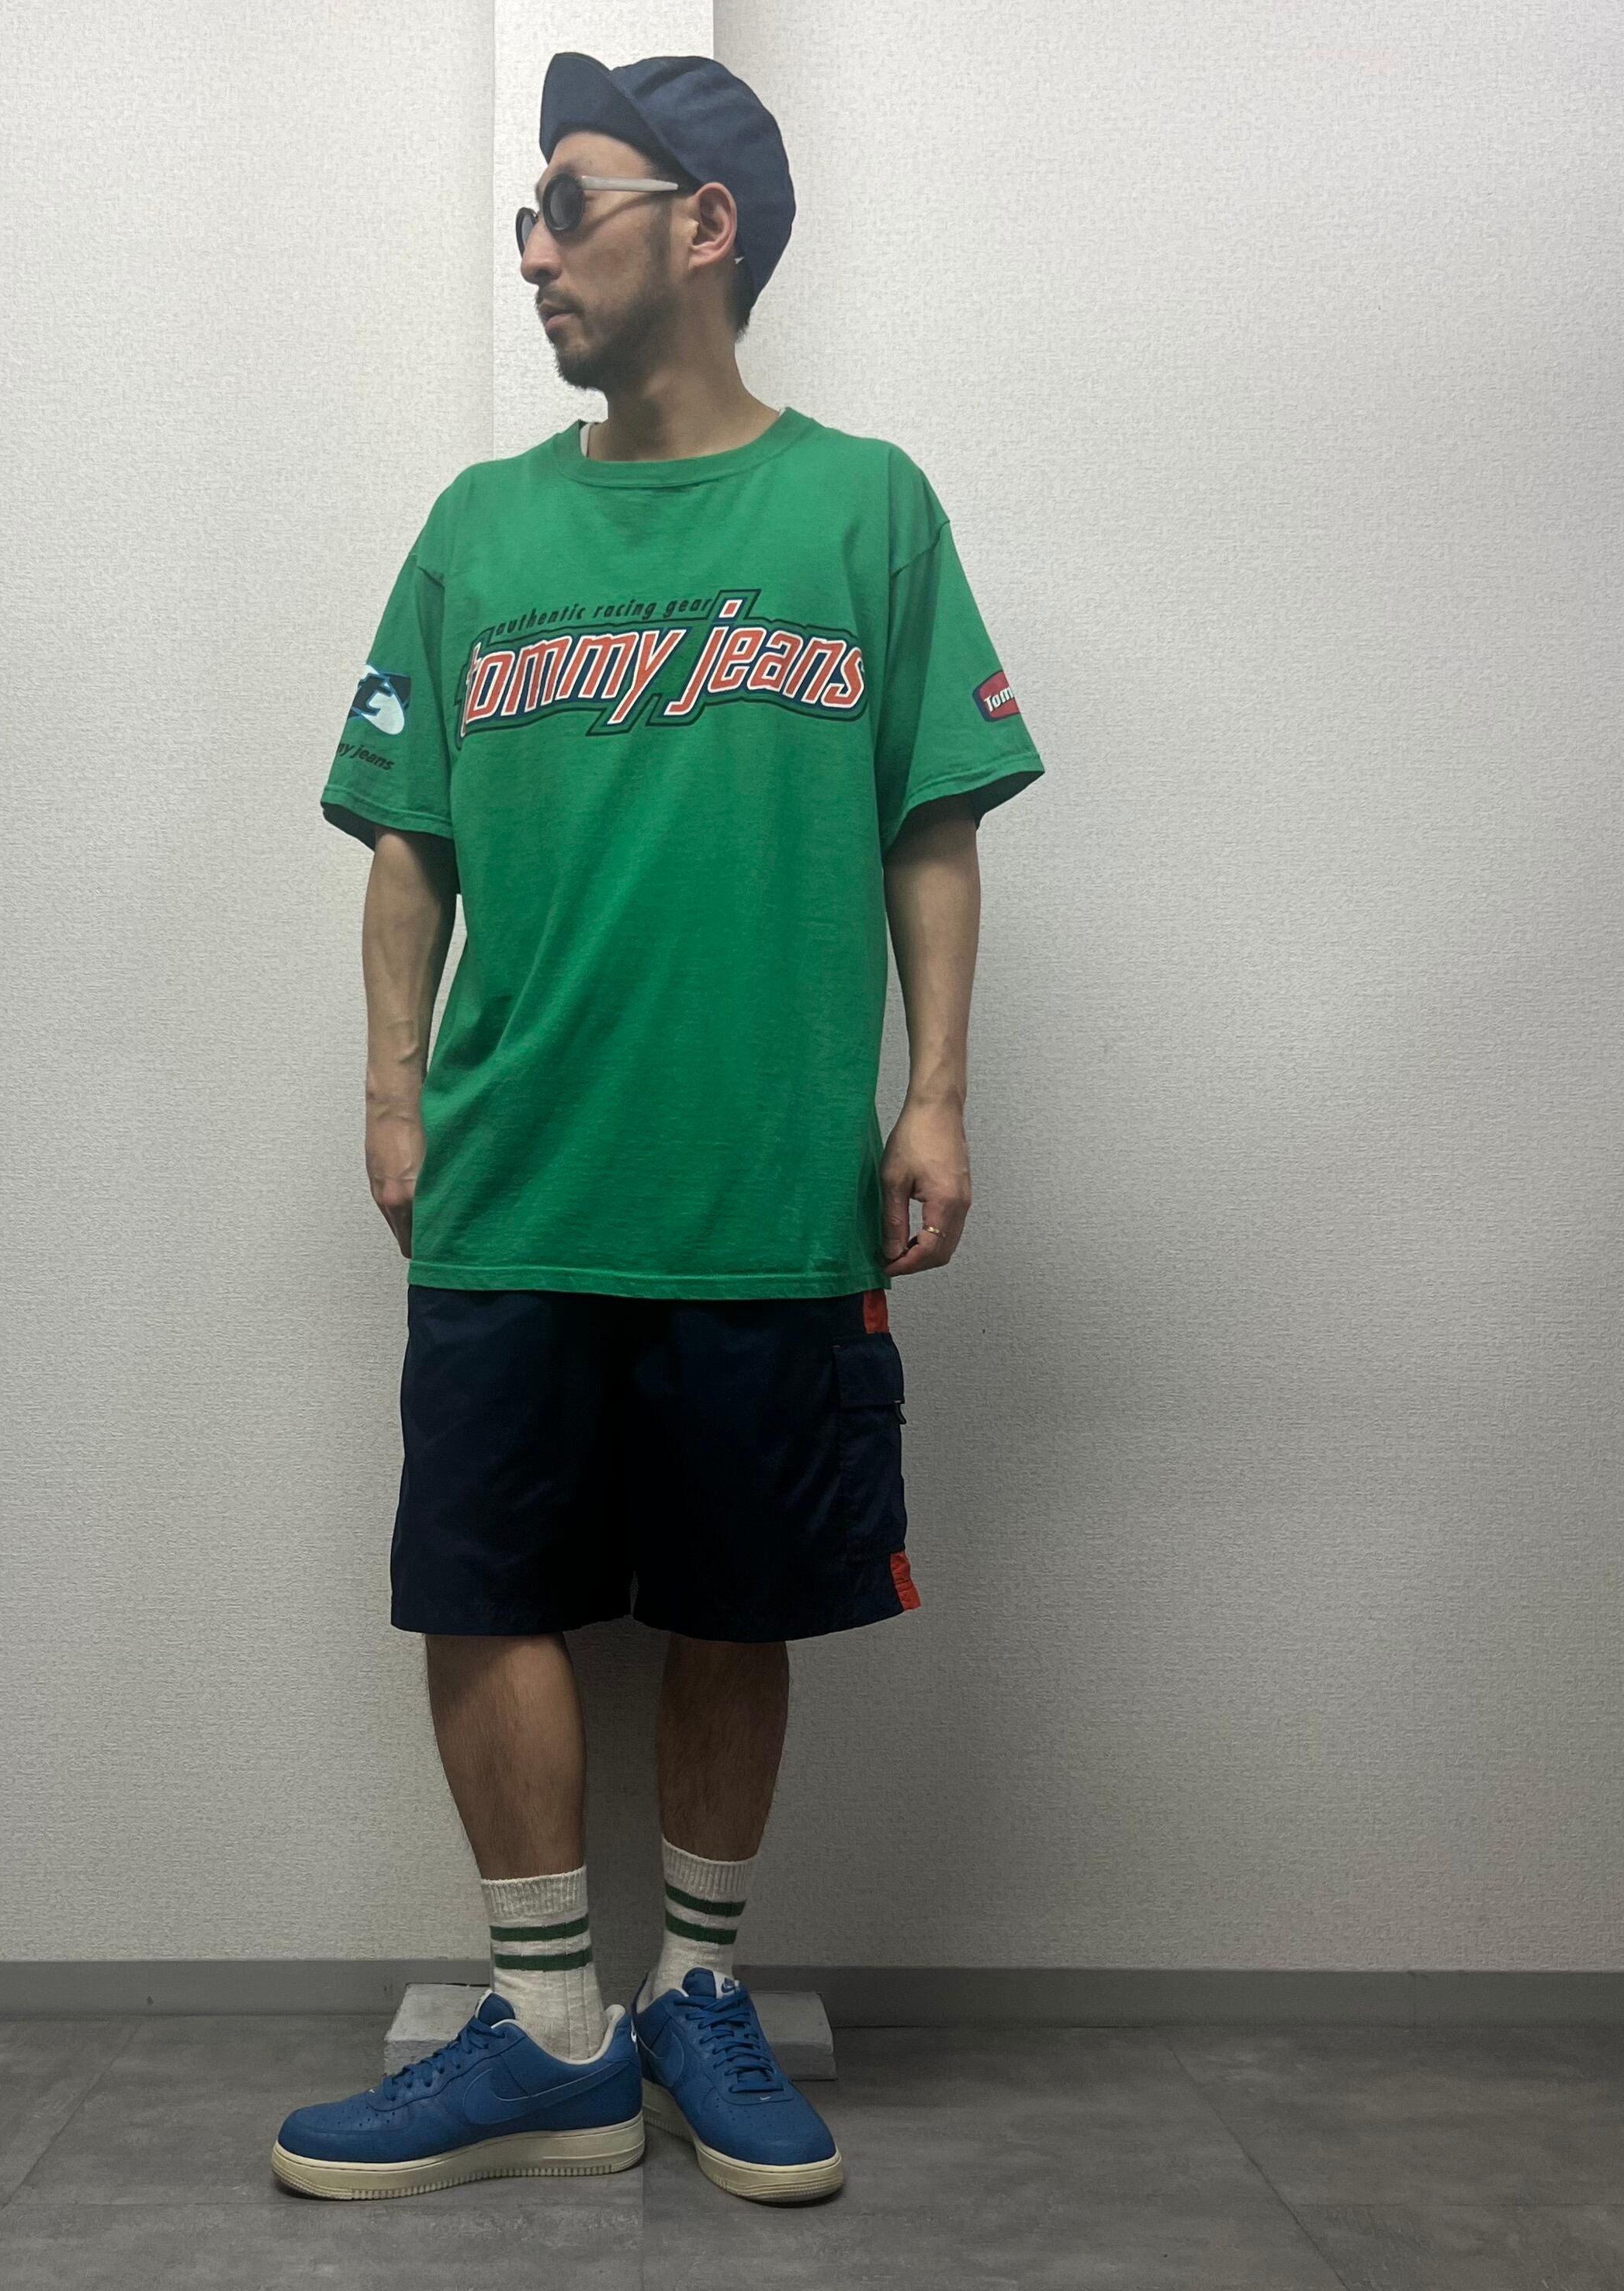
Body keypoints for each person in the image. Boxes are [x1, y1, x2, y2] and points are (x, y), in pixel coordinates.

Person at [272, 49, 1044, 2206]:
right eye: (524, 212)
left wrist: (937, 1093)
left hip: (764, 1181)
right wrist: (394, 1090)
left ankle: (699, 1993)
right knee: (484, 1580)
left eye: (568, 203)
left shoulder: (865, 508)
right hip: (514, 1174)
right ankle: (544, 2033)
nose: (531, 248)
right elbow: (406, 844)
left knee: (737, 1594)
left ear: (701, 226)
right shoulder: (481, 527)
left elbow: (933, 821)